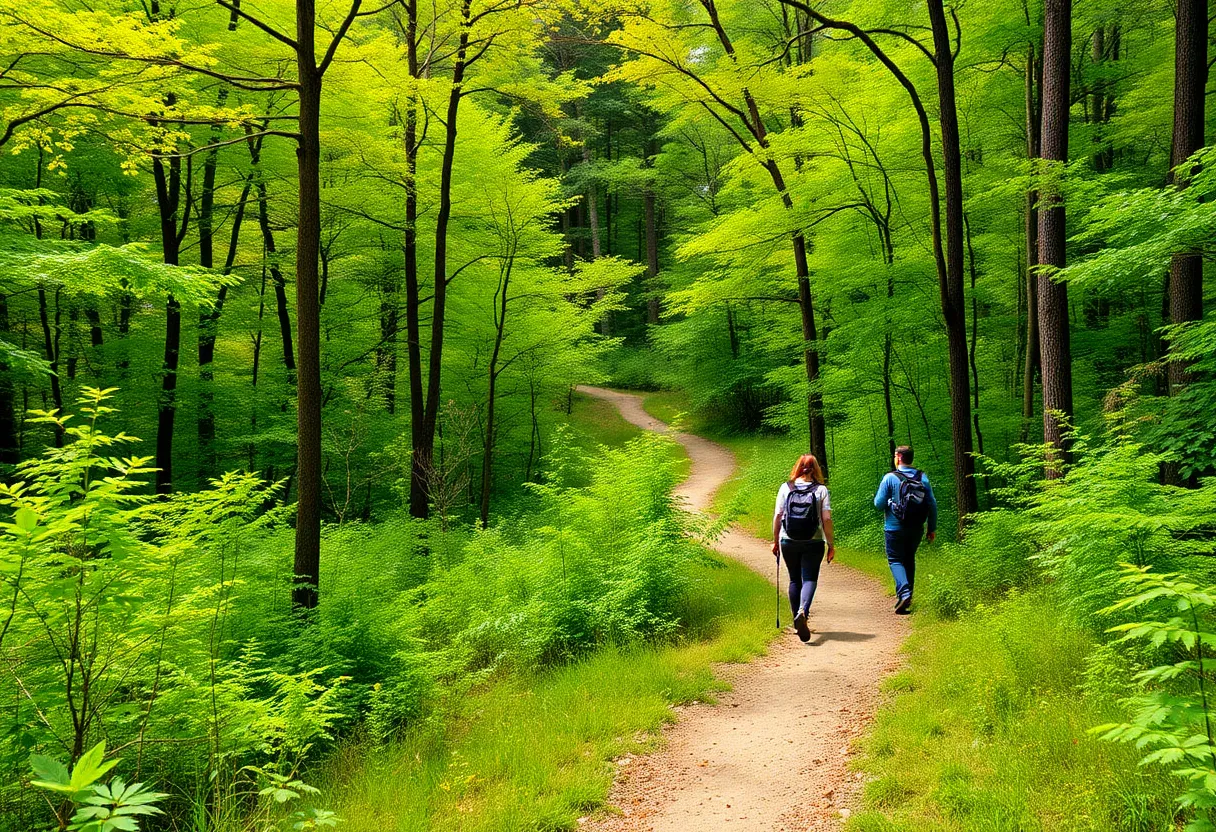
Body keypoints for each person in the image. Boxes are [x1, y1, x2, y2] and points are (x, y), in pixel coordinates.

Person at [772, 454, 835, 642]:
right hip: (813, 541)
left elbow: (778, 516)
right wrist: (831, 544)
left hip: (788, 540)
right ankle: (803, 612)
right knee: (809, 578)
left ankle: (796, 622)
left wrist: (775, 541)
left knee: (794, 579)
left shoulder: (786, 487)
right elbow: (826, 519)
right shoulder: (821, 490)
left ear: (797, 467)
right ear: (816, 469)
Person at [873, 445, 937, 614]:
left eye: (895, 456)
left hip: (894, 528)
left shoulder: (890, 478)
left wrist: (889, 502)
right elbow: (932, 504)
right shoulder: (922, 477)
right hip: (916, 528)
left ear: (899, 458)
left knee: (895, 560)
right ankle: (907, 600)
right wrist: (931, 528)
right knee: (909, 559)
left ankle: (904, 593)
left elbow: (878, 504)